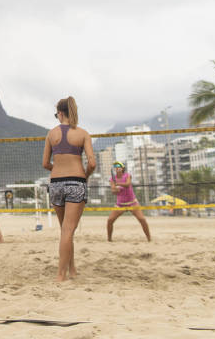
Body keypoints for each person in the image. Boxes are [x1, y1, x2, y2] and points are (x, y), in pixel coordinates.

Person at [42, 96, 95, 282]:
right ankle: (60, 275)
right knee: (68, 231)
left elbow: (45, 163)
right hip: (75, 181)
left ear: (61, 113)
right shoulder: (83, 133)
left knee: (65, 230)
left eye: (56, 113)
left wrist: (57, 169)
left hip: (56, 183)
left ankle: (72, 270)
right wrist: (84, 175)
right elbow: (93, 163)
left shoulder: (51, 134)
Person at [107, 161, 151, 242]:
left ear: (123, 168)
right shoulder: (112, 179)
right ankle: (109, 240)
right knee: (110, 220)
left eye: (118, 166)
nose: (117, 167)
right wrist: (115, 189)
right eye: (115, 166)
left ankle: (149, 239)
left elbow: (128, 184)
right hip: (120, 204)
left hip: (132, 203)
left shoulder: (127, 175)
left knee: (142, 219)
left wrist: (118, 184)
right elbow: (113, 191)